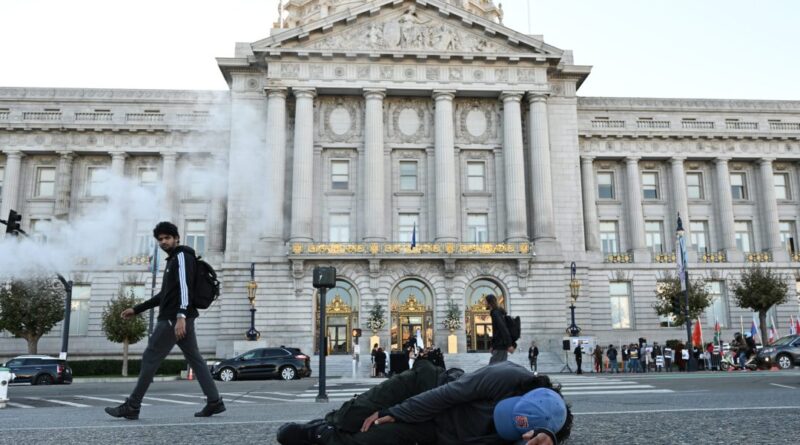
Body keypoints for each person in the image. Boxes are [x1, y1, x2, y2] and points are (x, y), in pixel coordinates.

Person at [276, 359, 573, 445]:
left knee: (369, 439)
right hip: (428, 385)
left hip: (437, 431)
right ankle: (326, 425)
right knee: (360, 414)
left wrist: (550, 436)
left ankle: (322, 436)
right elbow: (447, 394)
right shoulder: (507, 375)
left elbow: (549, 434)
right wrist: (395, 411)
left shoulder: (535, 432)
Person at [105, 221, 224, 420]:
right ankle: (214, 401)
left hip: (173, 319)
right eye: (160, 239)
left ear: (176, 238)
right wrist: (137, 309)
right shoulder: (173, 260)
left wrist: (181, 316)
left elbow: (185, 288)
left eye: (167, 238)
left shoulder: (182, 257)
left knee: (151, 356)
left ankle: (132, 405)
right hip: (177, 316)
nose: (163, 242)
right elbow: (165, 295)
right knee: (195, 358)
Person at [486, 294, 513, 364]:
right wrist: (492, 345)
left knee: (493, 368)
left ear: (489, 302)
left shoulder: (495, 313)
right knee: (498, 367)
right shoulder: (496, 312)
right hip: (499, 346)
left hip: (500, 346)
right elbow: (496, 331)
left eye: (485, 301)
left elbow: (503, 328)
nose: (484, 303)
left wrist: (509, 344)